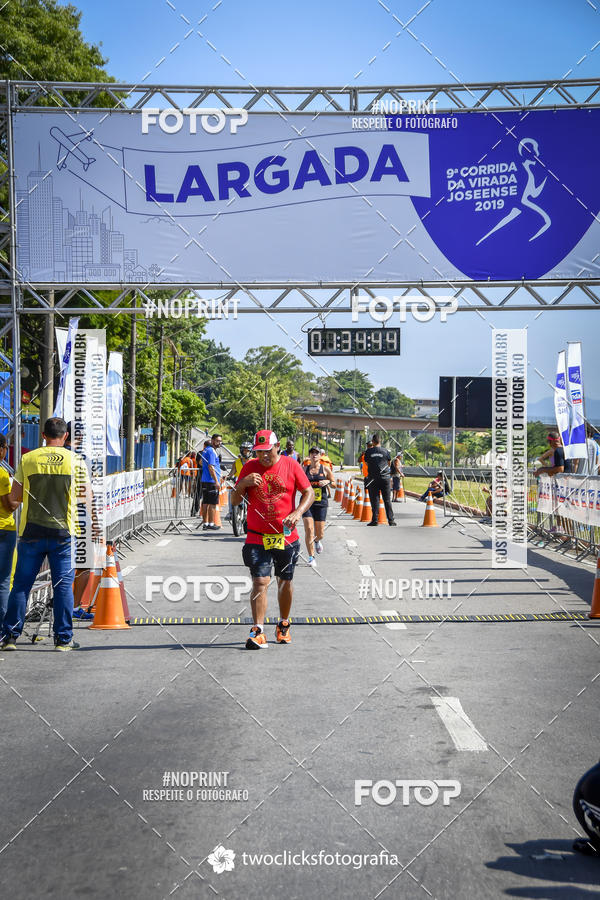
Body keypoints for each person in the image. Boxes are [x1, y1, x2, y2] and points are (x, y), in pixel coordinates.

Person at [1, 417, 92, 652]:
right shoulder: (76, 461)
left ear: (43, 435)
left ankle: (10, 636)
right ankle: (63, 639)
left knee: (21, 584)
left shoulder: (28, 459)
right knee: (63, 585)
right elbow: (87, 498)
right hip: (64, 534)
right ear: (66, 437)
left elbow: (15, 498)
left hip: (31, 532)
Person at [231, 429, 313, 649]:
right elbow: (235, 501)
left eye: (267, 451)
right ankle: (258, 631)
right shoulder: (249, 467)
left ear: (277, 447)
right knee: (260, 582)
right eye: (259, 452)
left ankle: (283, 623)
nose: (263, 456)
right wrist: (242, 484)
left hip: (285, 537)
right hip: (257, 537)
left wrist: (297, 513)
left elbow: (309, 492)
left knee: (285, 582)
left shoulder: (291, 465)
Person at [302, 447, 334, 567]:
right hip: (307, 503)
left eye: (316, 453)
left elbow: (334, 483)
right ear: (309, 456)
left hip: (321, 503)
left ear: (320, 456)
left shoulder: (325, 469)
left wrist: (327, 482)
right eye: (312, 453)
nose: (314, 455)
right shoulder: (304, 469)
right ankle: (311, 557)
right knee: (309, 530)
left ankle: (317, 540)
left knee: (320, 533)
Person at [0, 435, 17, 632]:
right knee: (4, 580)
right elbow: (9, 505)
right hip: (3, 529)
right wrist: (20, 495)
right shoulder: (3, 474)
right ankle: (4, 628)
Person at [363, 434, 396, 526]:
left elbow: (366, 462)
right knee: (387, 500)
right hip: (385, 478)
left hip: (373, 478)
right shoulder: (385, 451)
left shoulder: (368, 451)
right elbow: (389, 463)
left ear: (372, 442)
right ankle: (391, 520)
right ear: (380, 441)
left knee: (375, 499)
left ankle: (375, 520)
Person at [201, 434, 223, 530]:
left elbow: (202, 463)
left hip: (205, 480)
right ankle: (210, 523)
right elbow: (211, 467)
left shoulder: (205, 450)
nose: (219, 443)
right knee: (213, 503)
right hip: (211, 481)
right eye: (218, 441)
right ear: (212, 440)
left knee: (205, 503)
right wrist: (216, 481)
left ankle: (205, 523)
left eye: (220, 441)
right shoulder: (211, 451)